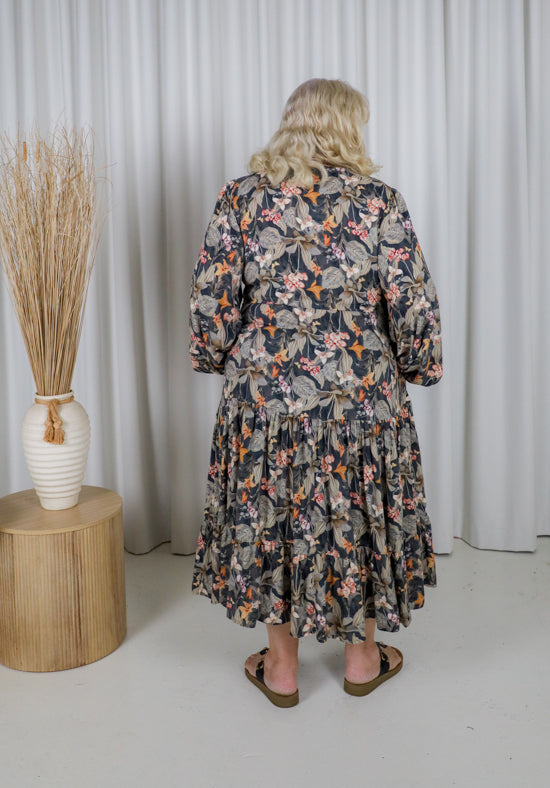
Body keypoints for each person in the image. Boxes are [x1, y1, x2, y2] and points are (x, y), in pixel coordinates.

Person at [188, 78, 443, 708]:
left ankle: (280, 669)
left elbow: (210, 304)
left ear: (291, 124)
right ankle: (361, 660)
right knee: (357, 516)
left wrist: (215, 356)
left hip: (266, 403)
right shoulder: (380, 203)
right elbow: (413, 306)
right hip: (361, 402)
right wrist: (418, 366)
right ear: (347, 128)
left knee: (273, 521)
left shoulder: (241, 199)